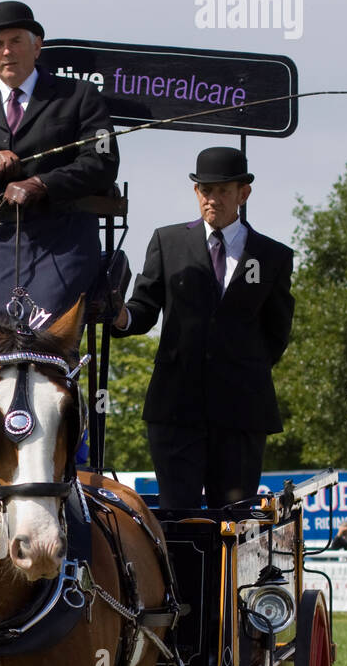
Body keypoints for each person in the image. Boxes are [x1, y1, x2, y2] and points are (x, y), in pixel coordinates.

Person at [0, 1, 119, 370]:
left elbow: (102, 162)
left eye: (15, 41)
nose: (6, 51)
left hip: (61, 240)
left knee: (40, 349)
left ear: (38, 45)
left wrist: (41, 183)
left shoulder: (78, 97)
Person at [111, 147, 295, 509]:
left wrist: (239, 369)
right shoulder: (168, 242)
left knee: (234, 525)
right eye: (205, 190)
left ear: (244, 193)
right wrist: (120, 316)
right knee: (178, 519)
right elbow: (143, 308)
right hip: (175, 411)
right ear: (196, 193)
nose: (212, 199)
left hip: (241, 414)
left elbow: (277, 334)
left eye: (223, 190)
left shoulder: (273, 256)